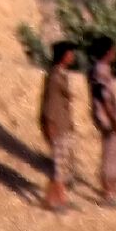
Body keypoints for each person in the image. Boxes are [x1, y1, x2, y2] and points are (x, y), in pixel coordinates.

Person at [37, 39, 83, 211]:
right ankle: (51, 200)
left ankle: (61, 198)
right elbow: (49, 103)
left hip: (63, 125)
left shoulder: (60, 74)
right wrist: (49, 125)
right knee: (58, 166)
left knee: (62, 166)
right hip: (57, 126)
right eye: (70, 53)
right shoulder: (55, 76)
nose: (73, 56)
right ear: (63, 56)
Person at [86, 37, 116, 207]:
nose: (115, 53)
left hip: (106, 114)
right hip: (105, 115)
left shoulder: (100, 69)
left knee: (115, 149)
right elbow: (103, 96)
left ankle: (112, 187)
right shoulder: (99, 70)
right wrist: (113, 119)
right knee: (110, 152)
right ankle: (107, 192)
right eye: (112, 50)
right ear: (106, 52)